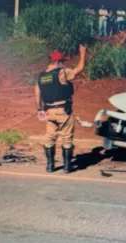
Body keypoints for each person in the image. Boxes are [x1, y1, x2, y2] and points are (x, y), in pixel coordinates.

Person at [35, 45, 87, 174]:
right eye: (63, 61)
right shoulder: (62, 72)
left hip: (48, 111)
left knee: (49, 138)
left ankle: (50, 166)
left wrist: (39, 109)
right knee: (67, 138)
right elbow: (79, 69)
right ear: (59, 61)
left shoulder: (41, 76)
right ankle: (67, 167)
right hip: (63, 110)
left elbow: (37, 93)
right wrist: (83, 53)